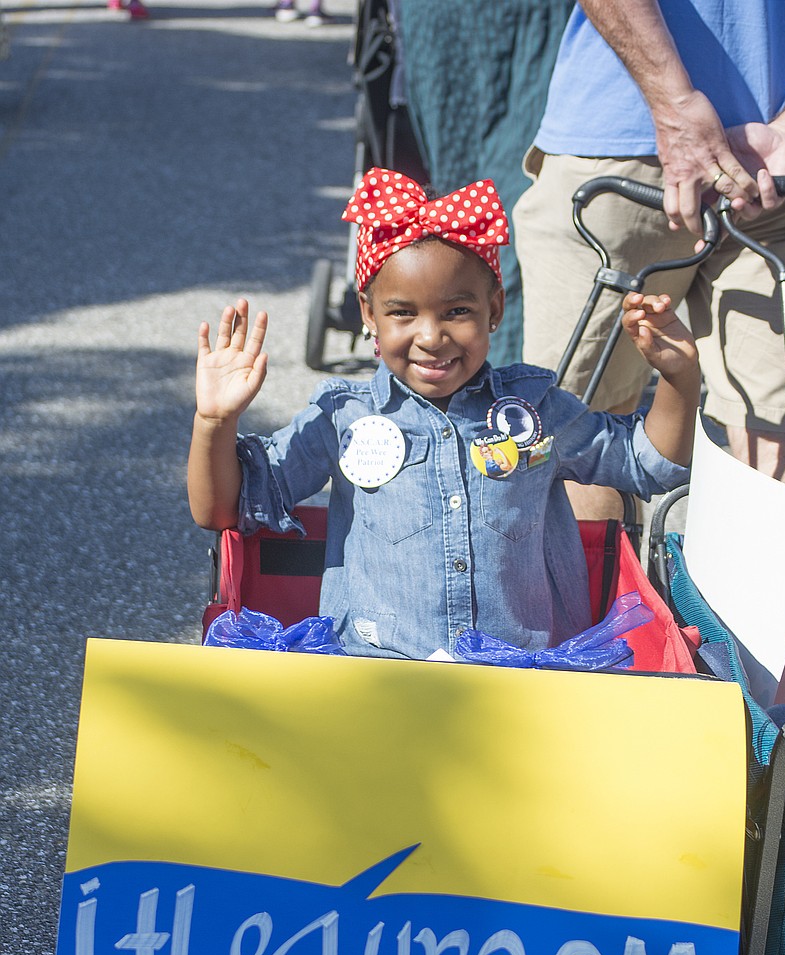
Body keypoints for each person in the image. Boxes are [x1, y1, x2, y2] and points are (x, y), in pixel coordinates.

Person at [187, 168, 699, 661]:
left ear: (494, 310)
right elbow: (224, 510)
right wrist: (214, 422)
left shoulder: (533, 410)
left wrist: (679, 379)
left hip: (526, 682)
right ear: (368, 315)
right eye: (403, 313)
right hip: (378, 677)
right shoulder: (341, 417)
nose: (431, 337)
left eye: (457, 311)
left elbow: (649, 463)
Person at [513, 0, 785, 488]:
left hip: (630, 134)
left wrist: (675, 108)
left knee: (579, 437)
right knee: (776, 443)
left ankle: (599, 565)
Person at [395, 0, 572, 367]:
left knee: (513, 203)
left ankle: (504, 387)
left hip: (538, 20)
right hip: (445, 21)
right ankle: (455, 367)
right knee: (455, 204)